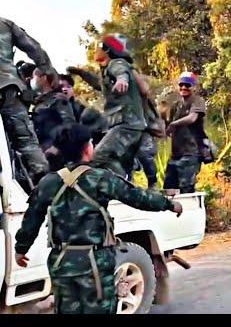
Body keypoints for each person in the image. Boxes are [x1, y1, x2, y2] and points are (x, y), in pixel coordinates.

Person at [13, 123, 183, 314]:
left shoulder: (48, 183)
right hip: (94, 261)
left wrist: (21, 249)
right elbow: (139, 198)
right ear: (87, 149)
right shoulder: (101, 178)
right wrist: (169, 204)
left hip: (61, 261)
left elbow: (31, 219)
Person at [0, 17, 56, 186]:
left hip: (9, 88)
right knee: (27, 143)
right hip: (9, 89)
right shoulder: (5, 24)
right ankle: (49, 191)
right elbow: (33, 47)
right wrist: (47, 70)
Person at [85, 34, 147, 177]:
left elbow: (121, 72)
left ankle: (121, 180)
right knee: (120, 162)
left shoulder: (116, 63)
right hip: (128, 124)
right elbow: (99, 85)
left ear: (106, 50)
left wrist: (122, 80)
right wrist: (80, 73)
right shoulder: (106, 70)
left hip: (126, 124)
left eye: (98, 48)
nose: (95, 51)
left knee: (97, 157)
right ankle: (126, 179)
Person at [163, 72, 206, 194]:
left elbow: (192, 118)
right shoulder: (175, 106)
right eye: (181, 84)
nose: (183, 87)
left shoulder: (197, 101)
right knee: (168, 188)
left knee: (186, 189)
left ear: (193, 87)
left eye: (187, 85)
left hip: (191, 153)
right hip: (175, 154)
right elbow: (167, 127)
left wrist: (173, 124)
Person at [30, 66, 77, 171]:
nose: (33, 80)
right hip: (42, 153)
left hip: (55, 157)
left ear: (44, 78)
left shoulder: (58, 100)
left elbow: (69, 126)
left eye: (35, 77)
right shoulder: (40, 102)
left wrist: (57, 147)